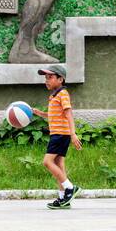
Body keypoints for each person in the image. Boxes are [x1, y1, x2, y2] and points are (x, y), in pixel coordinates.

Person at [31, 65, 81, 209]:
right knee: (59, 165)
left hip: (61, 134)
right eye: (45, 78)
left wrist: (73, 134)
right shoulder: (54, 95)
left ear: (60, 79)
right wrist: (40, 113)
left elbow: (68, 113)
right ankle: (62, 198)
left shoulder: (63, 94)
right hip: (58, 133)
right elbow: (54, 115)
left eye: (50, 77)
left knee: (47, 162)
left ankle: (70, 188)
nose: (47, 80)